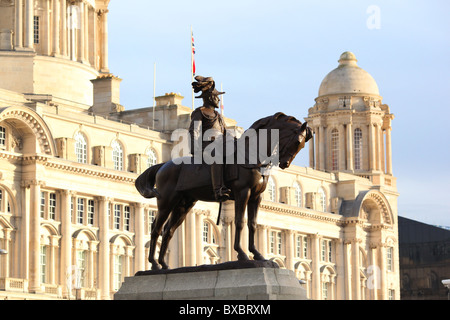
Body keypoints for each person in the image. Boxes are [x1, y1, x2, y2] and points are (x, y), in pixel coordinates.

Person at [189, 76, 231, 201]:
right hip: (206, 146)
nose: (218, 99)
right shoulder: (200, 112)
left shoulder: (218, 116)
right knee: (216, 154)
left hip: (220, 144)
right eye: (217, 96)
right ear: (211, 97)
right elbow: (194, 131)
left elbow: (226, 132)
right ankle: (218, 189)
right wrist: (195, 149)